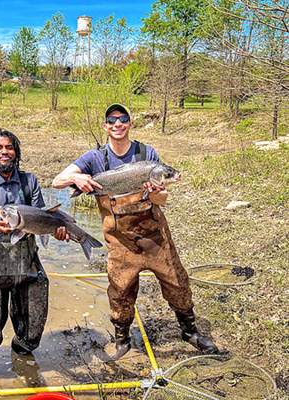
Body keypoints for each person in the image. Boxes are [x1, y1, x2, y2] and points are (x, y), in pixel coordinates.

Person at [52, 104, 218, 360]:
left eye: (123, 119)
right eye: (112, 120)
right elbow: (56, 181)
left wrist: (157, 192)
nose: (118, 124)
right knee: (120, 290)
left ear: (130, 124)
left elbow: (162, 199)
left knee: (177, 282)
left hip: (155, 237)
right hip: (120, 242)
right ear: (106, 126)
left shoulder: (147, 154)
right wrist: (77, 179)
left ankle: (189, 331)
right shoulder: (94, 158)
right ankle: (122, 340)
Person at [0, 129, 68, 377]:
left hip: (25, 265)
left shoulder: (29, 182)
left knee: (32, 328)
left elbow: (42, 220)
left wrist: (56, 231)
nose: (4, 152)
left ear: (16, 152)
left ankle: (22, 360)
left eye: (9, 147)